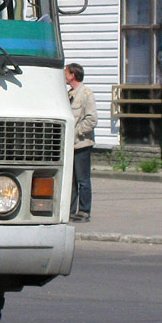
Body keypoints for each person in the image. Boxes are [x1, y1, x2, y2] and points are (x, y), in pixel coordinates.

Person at [65, 62, 97, 222]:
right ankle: (70, 210)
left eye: (66, 72)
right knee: (70, 180)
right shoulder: (69, 94)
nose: (64, 75)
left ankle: (84, 211)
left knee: (82, 180)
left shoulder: (85, 94)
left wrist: (76, 133)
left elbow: (91, 120)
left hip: (81, 144)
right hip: (69, 146)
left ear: (73, 75)